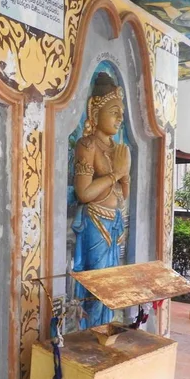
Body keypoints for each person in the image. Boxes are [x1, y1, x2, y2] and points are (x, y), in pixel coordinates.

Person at [72, 72, 131, 329]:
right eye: (114, 112)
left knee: (111, 282)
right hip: (95, 222)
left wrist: (124, 175)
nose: (120, 118)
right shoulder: (87, 145)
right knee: (96, 285)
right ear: (95, 113)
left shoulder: (117, 150)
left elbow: (122, 196)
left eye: (121, 114)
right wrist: (116, 173)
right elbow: (83, 193)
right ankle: (90, 335)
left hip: (115, 222)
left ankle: (104, 331)